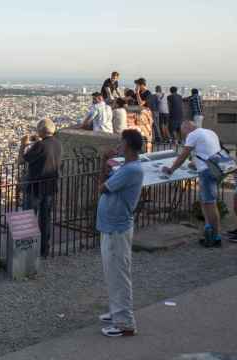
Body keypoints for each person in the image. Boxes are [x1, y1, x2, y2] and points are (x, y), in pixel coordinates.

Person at [97, 129, 144, 337]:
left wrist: (106, 160)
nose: (119, 144)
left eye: (121, 141)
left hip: (117, 226)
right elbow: (107, 180)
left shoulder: (130, 170)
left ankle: (124, 322)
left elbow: (103, 188)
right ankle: (117, 312)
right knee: (112, 272)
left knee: (119, 273)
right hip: (111, 224)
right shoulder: (126, 166)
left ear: (128, 145)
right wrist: (107, 161)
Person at [163, 121, 222, 247]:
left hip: (206, 172)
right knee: (206, 202)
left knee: (210, 204)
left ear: (187, 128)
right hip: (216, 170)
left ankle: (216, 237)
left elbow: (183, 155)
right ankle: (209, 232)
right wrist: (196, 163)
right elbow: (210, 152)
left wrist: (171, 169)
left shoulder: (193, 135)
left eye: (183, 131)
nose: (183, 135)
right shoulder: (210, 132)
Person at [18, 119, 62, 257]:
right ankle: (44, 250)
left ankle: (27, 251)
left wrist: (23, 145)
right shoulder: (58, 143)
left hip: (35, 187)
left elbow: (21, 161)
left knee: (28, 218)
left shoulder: (40, 145)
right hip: (50, 186)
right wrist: (38, 142)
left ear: (42, 131)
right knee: (45, 219)